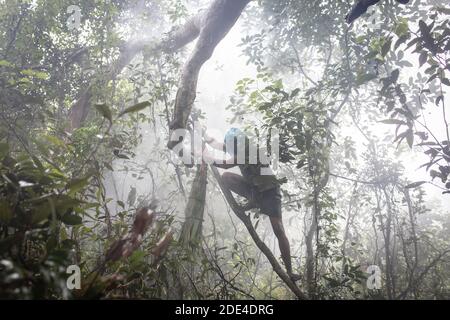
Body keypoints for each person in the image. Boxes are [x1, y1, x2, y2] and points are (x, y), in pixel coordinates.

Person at [201, 127, 301, 282]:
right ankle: (252, 201)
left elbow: (227, 164)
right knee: (227, 178)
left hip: (269, 191)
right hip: (254, 190)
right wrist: (204, 134)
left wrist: (207, 157)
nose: (231, 149)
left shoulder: (249, 150)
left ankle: (290, 271)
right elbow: (217, 145)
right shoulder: (236, 147)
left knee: (278, 230)